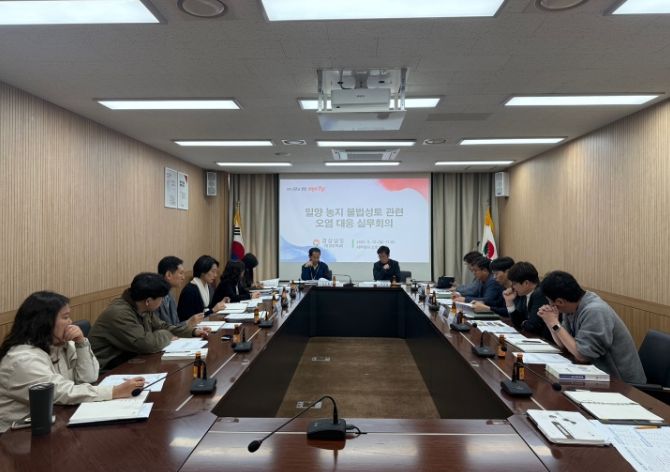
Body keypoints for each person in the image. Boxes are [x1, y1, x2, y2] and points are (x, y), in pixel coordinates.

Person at [0, 291, 143, 432]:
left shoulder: (60, 344)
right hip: (15, 435)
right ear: (44, 322)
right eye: (65, 317)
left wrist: (81, 342)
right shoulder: (22, 359)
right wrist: (115, 391)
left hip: (53, 420)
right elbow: (62, 392)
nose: (70, 322)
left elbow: (89, 377)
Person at [538, 271, 646, 384]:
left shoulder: (595, 311)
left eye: (549, 301)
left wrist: (554, 323)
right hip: (595, 375)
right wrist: (550, 322)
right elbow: (564, 344)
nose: (550, 305)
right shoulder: (571, 307)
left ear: (560, 301)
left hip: (623, 384)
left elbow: (582, 355)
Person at [90, 273, 209, 372]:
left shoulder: (142, 306)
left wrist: (192, 332)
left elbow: (162, 326)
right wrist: (168, 335)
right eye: (161, 299)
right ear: (148, 301)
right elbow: (146, 344)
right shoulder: (120, 313)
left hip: (127, 361)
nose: (162, 302)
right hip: (104, 370)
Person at [504, 262, 551, 341]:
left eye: (514, 284)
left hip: (545, 341)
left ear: (526, 283)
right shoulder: (524, 293)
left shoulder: (540, 294)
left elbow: (533, 326)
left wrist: (523, 323)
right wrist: (509, 302)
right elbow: (518, 322)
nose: (512, 287)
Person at [157, 256, 204, 328]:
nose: (183, 277)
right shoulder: (156, 298)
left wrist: (194, 330)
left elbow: (176, 324)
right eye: (181, 273)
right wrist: (188, 323)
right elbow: (162, 328)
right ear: (168, 275)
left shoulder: (170, 295)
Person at [177, 255, 227, 321]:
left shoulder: (208, 287)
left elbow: (210, 308)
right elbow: (189, 319)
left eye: (216, 272)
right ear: (203, 271)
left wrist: (220, 304)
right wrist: (213, 310)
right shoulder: (190, 291)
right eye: (213, 271)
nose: (215, 275)